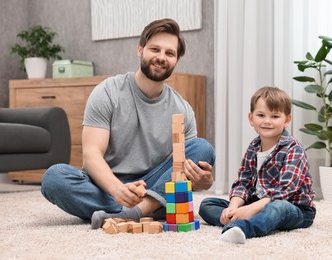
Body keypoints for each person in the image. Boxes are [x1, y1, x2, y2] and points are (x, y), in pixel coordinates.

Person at [41, 18, 216, 229]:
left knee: (202, 147)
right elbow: (91, 155)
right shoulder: (107, 92)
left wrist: (204, 182)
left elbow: (182, 171)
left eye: (169, 53)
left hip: (151, 184)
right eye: (155, 49)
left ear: (177, 60)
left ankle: (133, 212)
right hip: (106, 184)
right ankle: (150, 207)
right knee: (54, 178)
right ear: (140, 49)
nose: (161, 57)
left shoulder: (183, 109)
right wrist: (117, 190)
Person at [199, 86, 315, 244]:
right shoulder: (253, 147)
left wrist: (250, 209)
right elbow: (243, 182)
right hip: (257, 202)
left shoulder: (294, 149)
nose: (267, 121)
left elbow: (285, 191)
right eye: (261, 115)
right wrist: (234, 207)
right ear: (251, 118)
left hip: (294, 207)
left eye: (275, 116)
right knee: (207, 205)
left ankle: (243, 227)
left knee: (278, 208)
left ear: (287, 120)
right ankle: (249, 218)